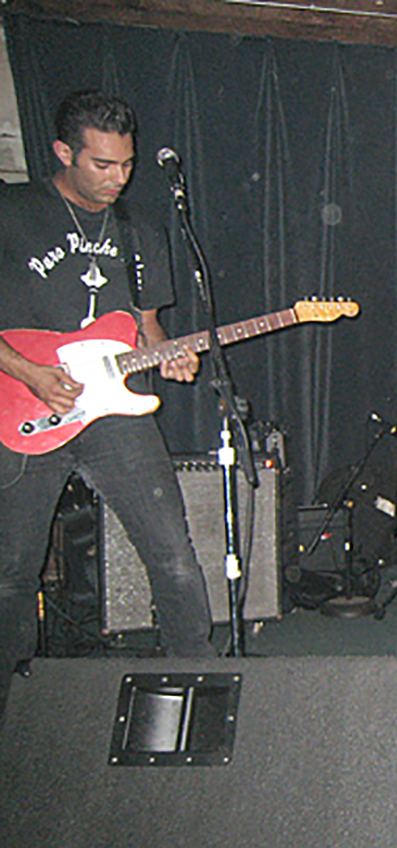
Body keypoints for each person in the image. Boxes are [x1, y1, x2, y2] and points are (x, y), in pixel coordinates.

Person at [0, 90, 216, 715]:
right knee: (12, 573)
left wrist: (170, 355)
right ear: (63, 152)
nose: (119, 177)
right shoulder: (12, 212)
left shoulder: (139, 230)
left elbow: (146, 327)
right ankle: (11, 708)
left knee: (173, 555)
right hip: (24, 406)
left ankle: (199, 689)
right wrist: (30, 373)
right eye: (102, 164)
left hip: (114, 416)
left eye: (126, 163)